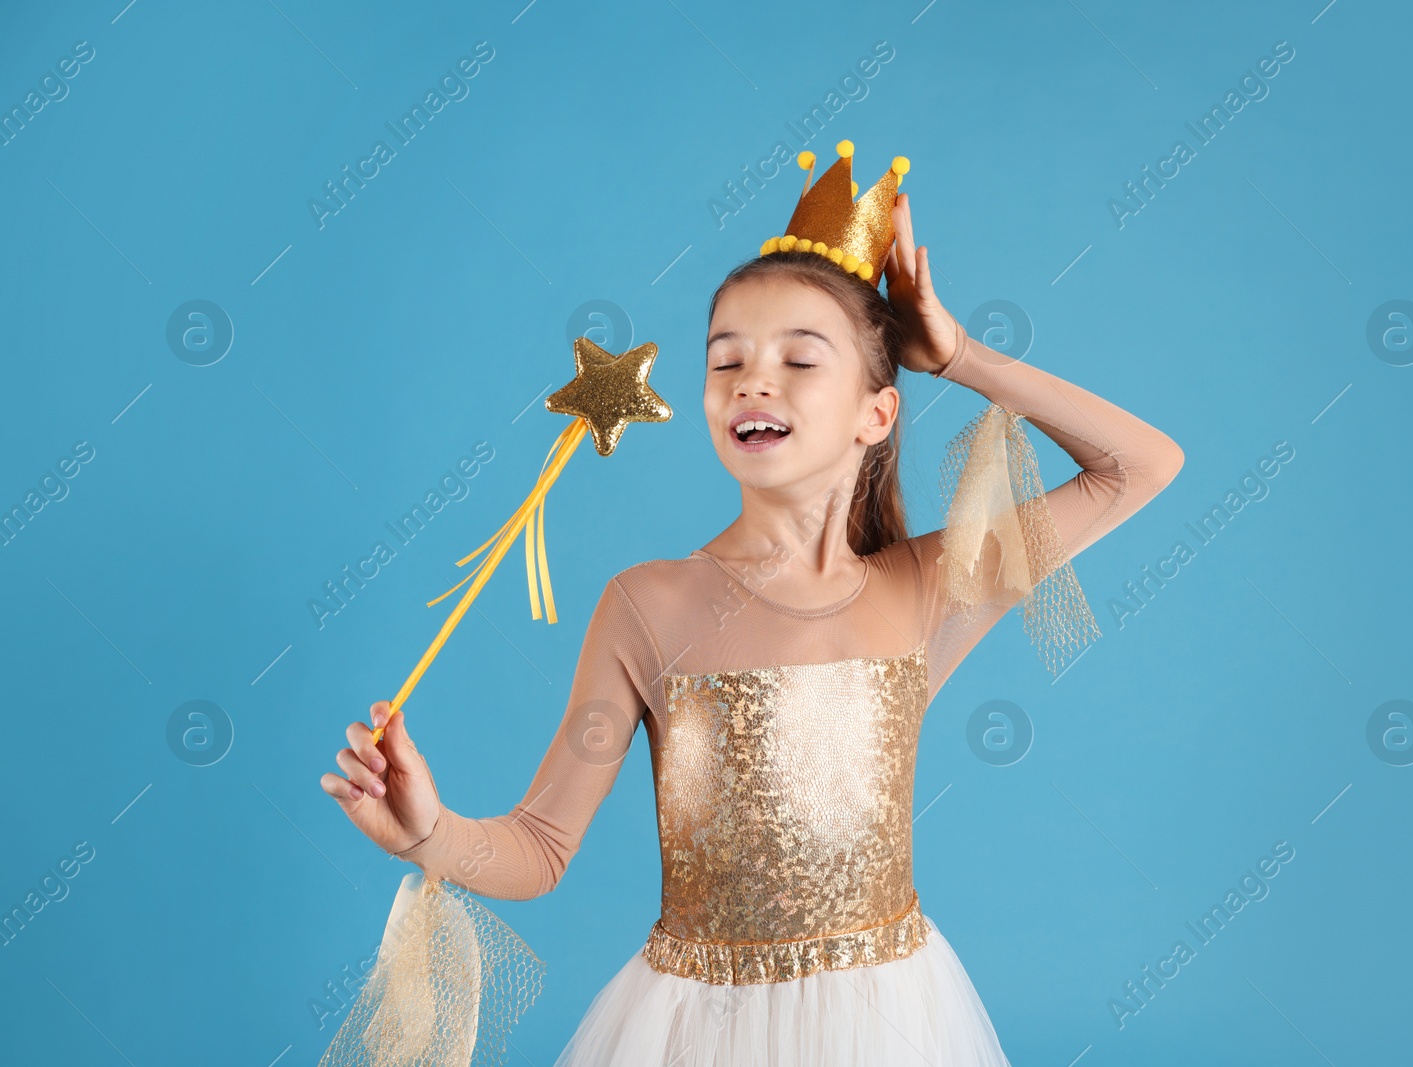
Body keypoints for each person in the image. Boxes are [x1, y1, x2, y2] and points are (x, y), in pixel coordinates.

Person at [321, 187, 1184, 1064]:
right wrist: (428, 830)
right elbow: (539, 849)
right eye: (724, 360)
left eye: (799, 360)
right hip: (697, 1033)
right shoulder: (646, 606)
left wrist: (955, 354)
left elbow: (1139, 465)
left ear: (874, 414)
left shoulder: (927, 587)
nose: (753, 380)